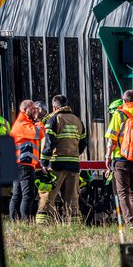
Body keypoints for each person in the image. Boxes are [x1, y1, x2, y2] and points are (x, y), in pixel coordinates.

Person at [36, 95, 87, 224]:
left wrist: (44, 162)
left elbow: (49, 142)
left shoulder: (54, 119)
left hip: (56, 164)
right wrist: (74, 154)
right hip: (73, 164)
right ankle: (73, 223)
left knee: (48, 194)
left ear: (54, 107)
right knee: (72, 197)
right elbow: (83, 143)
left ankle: (43, 222)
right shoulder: (77, 120)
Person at [104, 90, 133, 228]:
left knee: (123, 192)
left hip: (121, 158)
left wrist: (108, 157)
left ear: (124, 101)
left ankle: (130, 222)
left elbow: (112, 139)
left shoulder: (119, 114)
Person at [9, 100, 43, 221]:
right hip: (24, 164)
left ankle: (15, 220)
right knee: (28, 194)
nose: (35, 111)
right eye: (32, 108)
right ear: (25, 109)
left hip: (20, 164)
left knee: (17, 194)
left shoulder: (24, 123)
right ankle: (25, 221)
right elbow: (39, 134)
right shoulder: (22, 124)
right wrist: (39, 121)